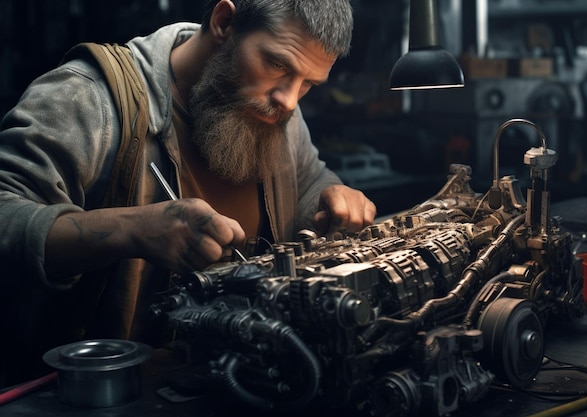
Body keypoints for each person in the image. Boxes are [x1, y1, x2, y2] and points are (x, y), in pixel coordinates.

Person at [0, 0, 376, 386]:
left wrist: (332, 196)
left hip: (241, 382)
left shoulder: (277, 111)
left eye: (309, 83)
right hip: (100, 393)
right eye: (278, 65)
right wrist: (132, 229)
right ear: (224, 22)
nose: (291, 100)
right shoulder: (89, 98)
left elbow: (311, 179)